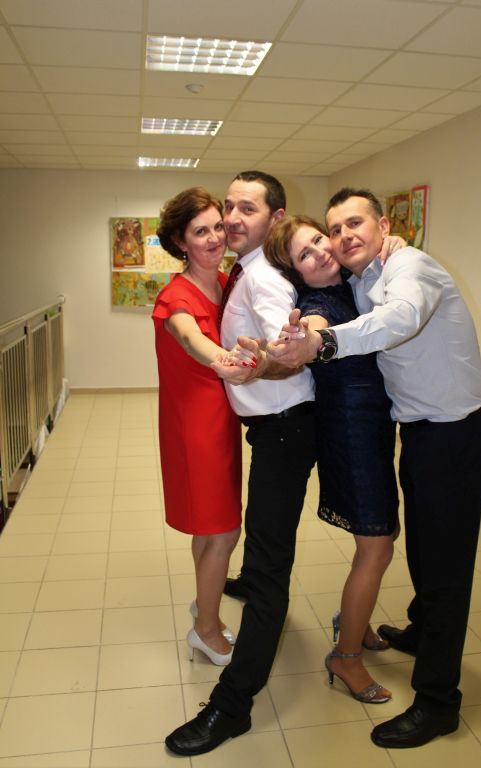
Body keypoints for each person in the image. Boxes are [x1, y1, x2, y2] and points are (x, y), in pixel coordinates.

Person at [268, 188, 481, 749]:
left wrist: (321, 343)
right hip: (415, 433)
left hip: (452, 434)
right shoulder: (363, 275)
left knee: (445, 568)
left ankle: (437, 703)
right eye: (334, 229)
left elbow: (401, 318)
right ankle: (422, 629)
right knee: (423, 550)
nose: (342, 237)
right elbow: (326, 309)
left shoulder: (410, 267)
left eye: (355, 224)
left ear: (384, 225)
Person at [165, 171, 318, 757]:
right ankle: (227, 599)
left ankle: (232, 705)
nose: (230, 219)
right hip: (265, 428)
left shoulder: (262, 279)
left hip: (284, 428)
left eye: (244, 209)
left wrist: (258, 365)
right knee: (249, 546)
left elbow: (291, 350)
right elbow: (192, 334)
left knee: (267, 568)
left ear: (275, 218)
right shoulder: (243, 271)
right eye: (227, 207)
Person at [264, 214, 400, 704]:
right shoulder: (318, 303)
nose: (321, 251)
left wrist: (392, 243)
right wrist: (300, 339)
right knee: (377, 545)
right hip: (350, 434)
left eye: (319, 240)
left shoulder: (351, 282)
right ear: (296, 272)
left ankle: (355, 621)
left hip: (375, 427)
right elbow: (313, 329)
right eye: (305, 254)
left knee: (381, 539)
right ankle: (345, 657)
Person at [152, 187, 257, 668]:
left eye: (218, 227)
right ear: (180, 241)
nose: (215, 237)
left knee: (211, 528)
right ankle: (206, 630)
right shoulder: (176, 296)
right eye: (201, 231)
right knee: (224, 530)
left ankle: (205, 605)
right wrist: (224, 360)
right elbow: (189, 336)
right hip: (195, 428)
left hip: (222, 420)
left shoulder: (225, 280)